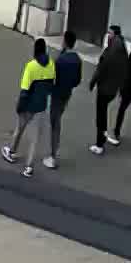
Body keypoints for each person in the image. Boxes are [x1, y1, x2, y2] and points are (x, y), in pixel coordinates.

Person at [4, 38, 56, 177]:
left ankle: (11, 151)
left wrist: (19, 107)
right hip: (41, 106)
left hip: (28, 105)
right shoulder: (51, 64)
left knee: (19, 129)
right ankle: (29, 167)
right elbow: (51, 86)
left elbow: (25, 90)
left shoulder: (31, 66)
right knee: (34, 139)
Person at [46, 31, 84, 168]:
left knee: (55, 123)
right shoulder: (77, 59)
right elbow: (78, 80)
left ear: (65, 42)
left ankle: (53, 156)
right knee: (57, 119)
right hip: (67, 94)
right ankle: (53, 153)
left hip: (57, 94)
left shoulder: (60, 61)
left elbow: (52, 78)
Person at [90, 26, 129, 155]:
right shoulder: (122, 50)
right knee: (104, 111)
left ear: (114, 34)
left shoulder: (111, 51)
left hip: (105, 88)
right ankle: (105, 133)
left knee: (100, 115)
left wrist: (93, 82)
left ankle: (99, 144)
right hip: (113, 88)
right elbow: (125, 70)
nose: (108, 35)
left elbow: (101, 68)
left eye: (110, 33)